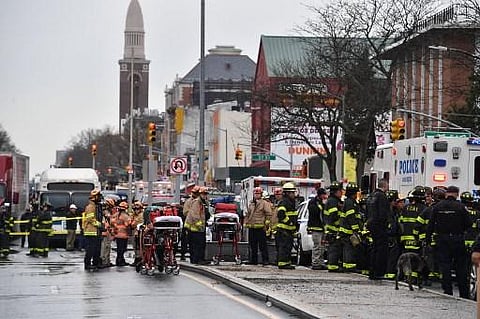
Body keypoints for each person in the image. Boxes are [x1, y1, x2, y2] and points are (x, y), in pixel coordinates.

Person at [427, 185, 471, 299]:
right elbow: (469, 223)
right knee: (460, 266)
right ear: (456, 194)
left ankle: (447, 290)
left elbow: (430, 225)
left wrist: (428, 240)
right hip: (457, 239)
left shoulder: (437, 207)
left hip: (442, 239)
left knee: (445, 265)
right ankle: (463, 293)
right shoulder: (461, 207)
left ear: (447, 194)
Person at [366, 178, 390, 280]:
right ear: (384, 186)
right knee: (381, 250)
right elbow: (383, 214)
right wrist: (386, 225)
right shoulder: (382, 197)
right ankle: (378, 272)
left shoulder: (371, 196)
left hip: (371, 225)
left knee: (374, 248)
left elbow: (367, 211)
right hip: (379, 226)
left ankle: (372, 271)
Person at [245, 186, 272, 265]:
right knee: (253, 246)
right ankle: (253, 260)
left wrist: (266, 223)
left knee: (263, 246)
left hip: (260, 228)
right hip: (252, 227)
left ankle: (265, 260)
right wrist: (246, 223)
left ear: (261, 194)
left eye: (258, 194)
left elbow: (269, 213)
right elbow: (248, 214)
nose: (256, 195)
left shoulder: (264, 203)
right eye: (255, 193)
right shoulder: (251, 203)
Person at [339, 183, 363, 272]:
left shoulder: (350, 202)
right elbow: (351, 217)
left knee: (347, 248)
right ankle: (349, 267)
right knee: (349, 249)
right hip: (348, 231)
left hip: (347, 230)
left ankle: (347, 265)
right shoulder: (350, 203)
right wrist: (356, 229)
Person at [275, 182, 298, 269]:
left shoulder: (290, 202)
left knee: (288, 247)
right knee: (284, 247)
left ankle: (286, 263)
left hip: (288, 230)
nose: (294, 194)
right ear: (287, 193)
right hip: (284, 230)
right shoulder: (285, 202)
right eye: (292, 193)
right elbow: (281, 214)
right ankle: (283, 263)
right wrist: (289, 222)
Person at [185, 186, 208, 264]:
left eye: (206, 194)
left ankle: (199, 259)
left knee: (201, 244)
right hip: (195, 228)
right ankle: (196, 260)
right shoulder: (196, 203)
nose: (205, 195)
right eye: (203, 194)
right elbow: (195, 216)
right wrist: (200, 225)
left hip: (199, 228)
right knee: (196, 245)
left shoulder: (203, 203)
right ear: (200, 194)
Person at [324, 181, 344, 272]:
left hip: (333, 230)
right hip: (333, 230)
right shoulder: (332, 201)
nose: (342, 193)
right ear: (336, 192)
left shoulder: (334, 200)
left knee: (335, 248)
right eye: (340, 191)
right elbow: (333, 216)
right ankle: (333, 266)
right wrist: (340, 223)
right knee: (334, 249)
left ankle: (334, 265)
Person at [307, 187, 328, 270]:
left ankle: (321, 262)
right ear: (320, 195)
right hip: (316, 228)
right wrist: (321, 206)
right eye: (323, 195)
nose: (325, 196)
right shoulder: (313, 202)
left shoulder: (321, 203)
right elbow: (315, 213)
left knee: (322, 247)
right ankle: (315, 263)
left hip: (322, 228)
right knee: (317, 246)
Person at [82, 190, 103, 270]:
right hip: (91, 231)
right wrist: (100, 225)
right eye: (99, 196)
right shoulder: (91, 207)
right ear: (95, 197)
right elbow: (90, 219)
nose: (100, 198)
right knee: (90, 249)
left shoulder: (95, 206)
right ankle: (87, 264)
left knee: (96, 249)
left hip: (95, 231)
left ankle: (95, 263)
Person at [182, 186, 200, 261]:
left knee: (197, 244)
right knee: (190, 242)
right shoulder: (189, 201)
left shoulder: (200, 202)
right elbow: (185, 212)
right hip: (190, 226)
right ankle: (192, 257)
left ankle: (195, 258)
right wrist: (192, 213)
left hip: (198, 227)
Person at [112, 201, 132, 266]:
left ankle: (119, 260)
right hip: (123, 234)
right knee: (122, 249)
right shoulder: (125, 216)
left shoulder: (115, 215)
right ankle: (121, 261)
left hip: (117, 234)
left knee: (119, 249)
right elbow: (128, 224)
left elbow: (112, 222)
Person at [99, 198, 116, 268]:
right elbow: (107, 223)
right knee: (105, 247)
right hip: (105, 232)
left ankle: (107, 261)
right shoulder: (105, 213)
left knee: (107, 247)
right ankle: (104, 261)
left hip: (107, 232)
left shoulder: (106, 213)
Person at [130, 201, 144, 266]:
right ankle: (137, 258)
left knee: (138, 246)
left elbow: (133, 224)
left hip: (139, 232)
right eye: (135, 209)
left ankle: (139, 259)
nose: (136, 210)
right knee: (135, 246)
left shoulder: (141, 215)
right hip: (135, 232)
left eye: (137, 209)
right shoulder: (135, 215)